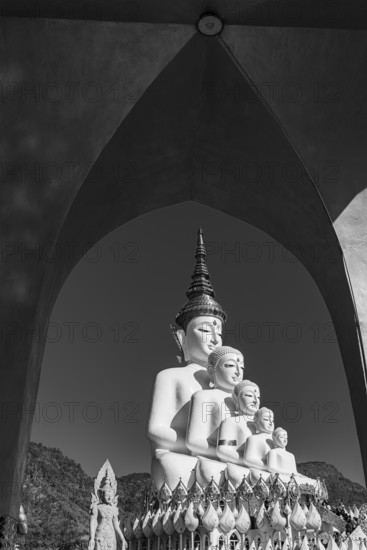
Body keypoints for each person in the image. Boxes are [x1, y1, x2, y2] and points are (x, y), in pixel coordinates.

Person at [146, 229, 227, 489]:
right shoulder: (170, 377)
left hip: (222, 458)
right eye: (205, 329)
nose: (214, 337)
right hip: (181, 457)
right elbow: (156, 430)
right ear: (181, 338)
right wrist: (198, 442)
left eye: (219, 332)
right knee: (178, 468)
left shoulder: (227, 389)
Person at [186, 346, 245, 459]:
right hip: (212, 459)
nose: (238, 372)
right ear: (212, 371)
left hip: (241, 461)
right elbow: (194, 441)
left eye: (242, 368)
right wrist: (228, 450)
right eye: (231, 365)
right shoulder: (204, 396)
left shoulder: (242, 404)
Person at [217, 379, 260, 465]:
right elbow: (224, 449)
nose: (256, 400)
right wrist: (248, 460)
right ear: (236, 399)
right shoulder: (231, 423)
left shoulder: (263, 426)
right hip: (240, 466)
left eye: (258, 397)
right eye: (249, 395)